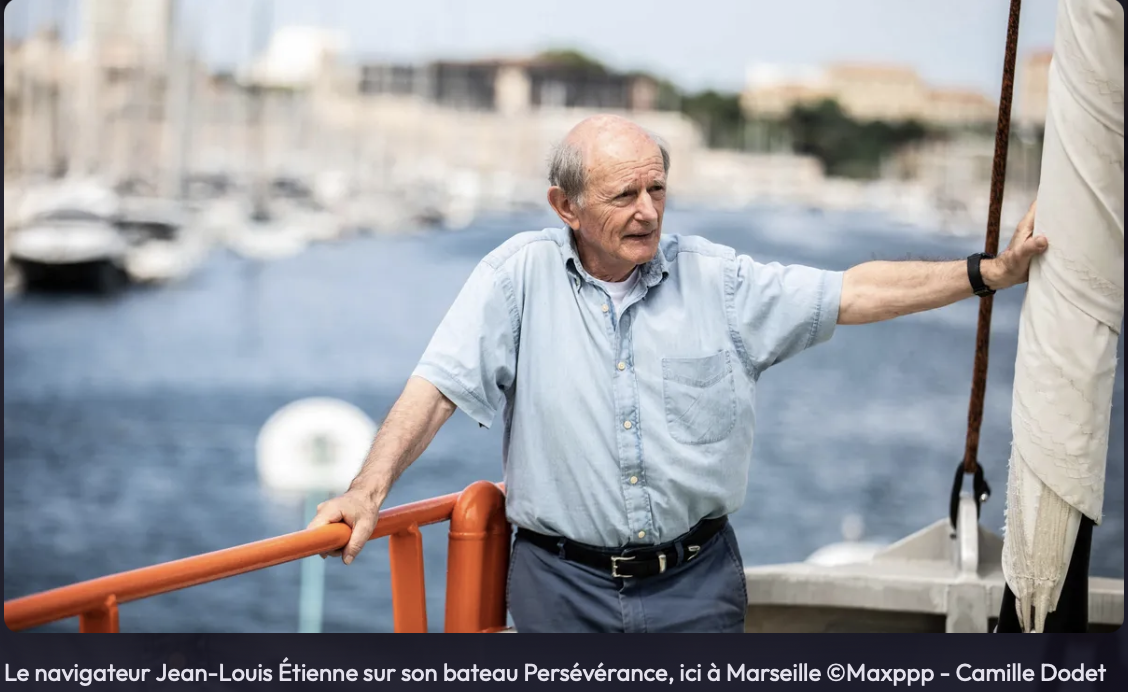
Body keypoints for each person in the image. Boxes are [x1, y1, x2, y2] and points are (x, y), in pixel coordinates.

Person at [308, 114, 1046, 633]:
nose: (648, 211)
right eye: (624, 195)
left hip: (697, 589)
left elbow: (851, 292)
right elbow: (437, 387)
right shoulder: (514, 279)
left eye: (657, 189)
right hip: (558, 591)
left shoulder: (720, 282)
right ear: (564, 206)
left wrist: (987, 273)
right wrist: (367, 494)